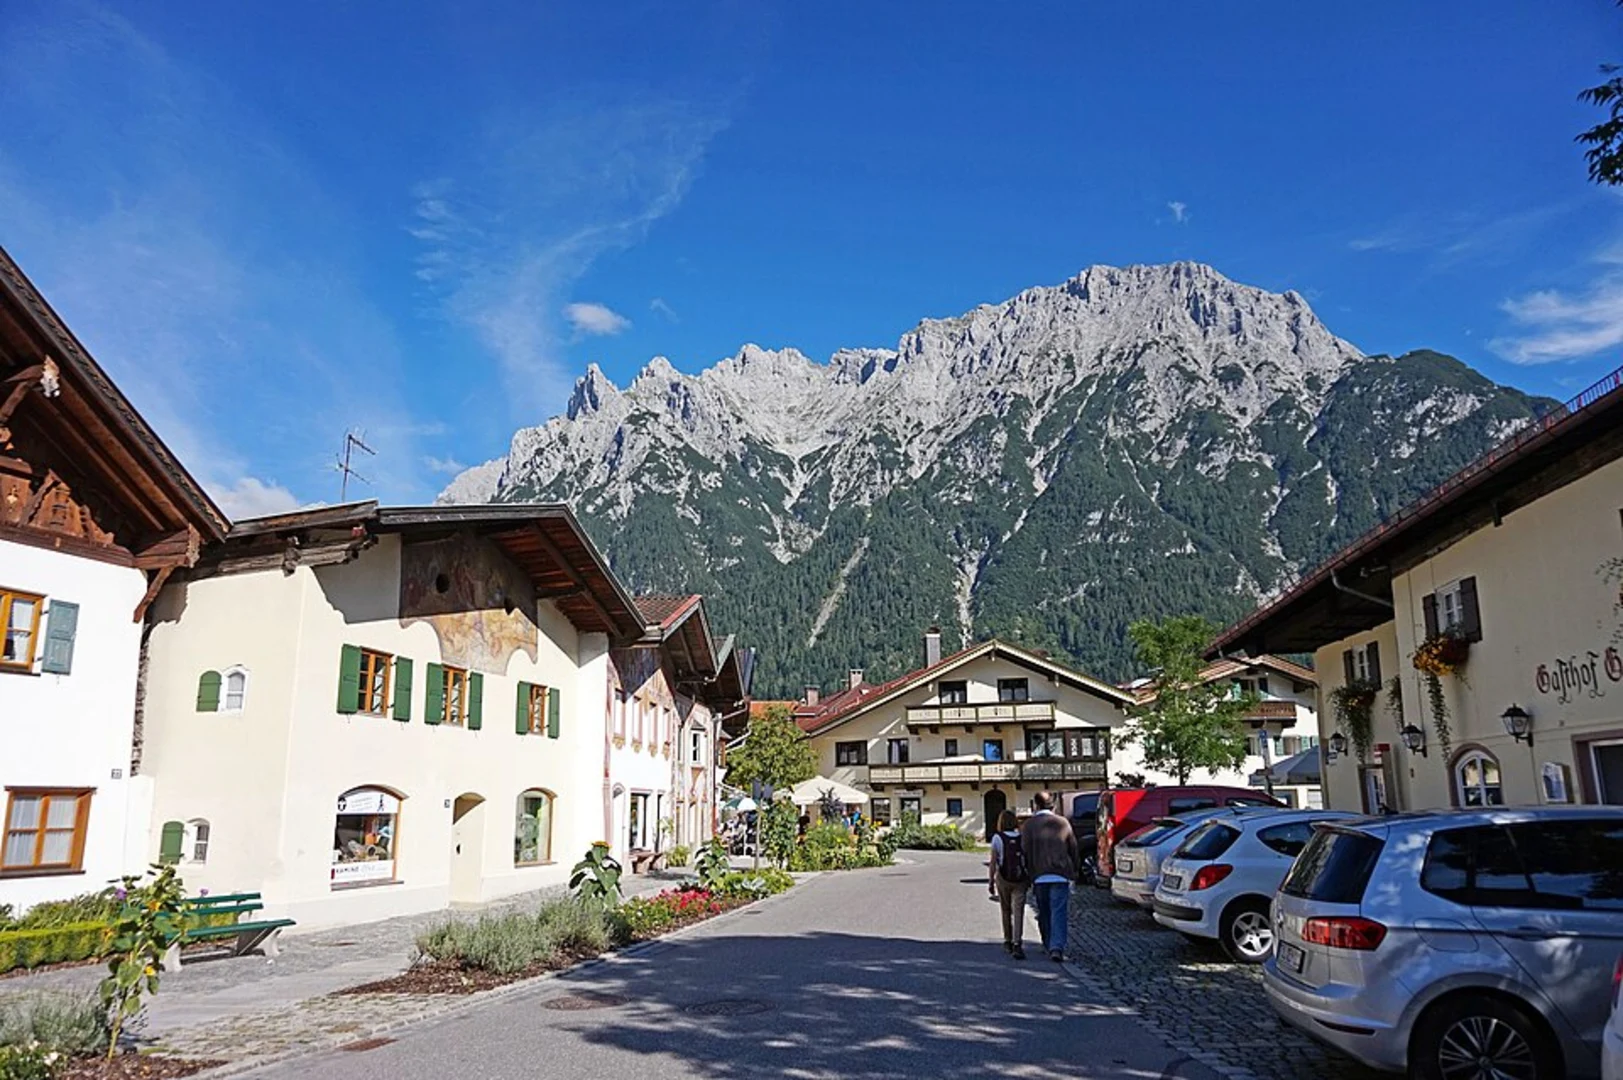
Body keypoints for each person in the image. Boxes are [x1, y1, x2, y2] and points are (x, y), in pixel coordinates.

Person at [1019, 790, 1079, 962]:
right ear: (1053, 805)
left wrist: (1027, 871)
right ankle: (1056, 947)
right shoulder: (1062, 823)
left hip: (1039, 875)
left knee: (1043, 912)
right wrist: (1075, 871)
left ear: (1035, 805)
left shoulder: (1029, 825)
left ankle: (1047, 942)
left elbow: (1024, 850)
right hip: (1060, 874)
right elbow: (1073, 848)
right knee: (1059, 912)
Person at [987, 809, 1029, 959]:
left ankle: (1008, 940)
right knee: (1018, 911)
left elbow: (993, 862)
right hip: (1020, 879)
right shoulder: (1022, 837)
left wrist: (991, 880)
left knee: (1005, 910)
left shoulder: (998, 838)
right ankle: (1018, 943)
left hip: (1004, 877)